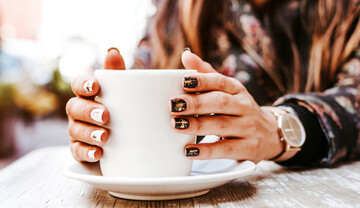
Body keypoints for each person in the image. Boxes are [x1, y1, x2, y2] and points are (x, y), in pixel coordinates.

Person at [66, 0, 360, 167]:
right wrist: (103, 124)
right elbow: (140, 79)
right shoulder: (175, 11)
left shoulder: (345, 11)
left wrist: (281, 128)